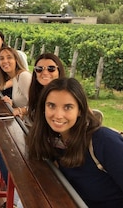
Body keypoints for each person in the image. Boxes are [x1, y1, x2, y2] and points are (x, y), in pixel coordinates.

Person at [27, 77, 123, 207]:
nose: (58, 115)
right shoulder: (51, 139)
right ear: (43, 108)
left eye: (68, 107)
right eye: (51, 105)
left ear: (80, 111)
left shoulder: (104, 141)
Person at [0, 47, 32, 117]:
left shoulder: (24, 76)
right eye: (1, 59)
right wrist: (11, 103)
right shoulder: (14, 78)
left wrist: (19, 110)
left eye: (9, 57)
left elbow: (37, 106)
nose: (5, 61)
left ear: (16, 60)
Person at [27, 53, 66, 124]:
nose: (45, 72)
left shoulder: (68, 94)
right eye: (39, 69)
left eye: (51, 69)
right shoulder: (38, 93)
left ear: (59, 71)